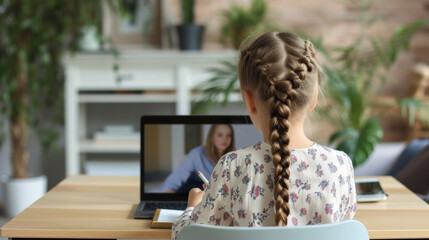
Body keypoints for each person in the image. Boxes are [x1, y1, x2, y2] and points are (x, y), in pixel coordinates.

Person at [171, 32, 357, 240]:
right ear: (314, 99)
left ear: (250, 101)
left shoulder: (233, 166)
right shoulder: (340, 166)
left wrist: (192, 207)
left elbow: (185, 236)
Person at [161, 124, 235, 193]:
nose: (225, 139)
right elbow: (174, 180)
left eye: (228, 135)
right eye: (220, 135)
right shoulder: (197, 154)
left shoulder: (235, 157)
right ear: (212, 137)